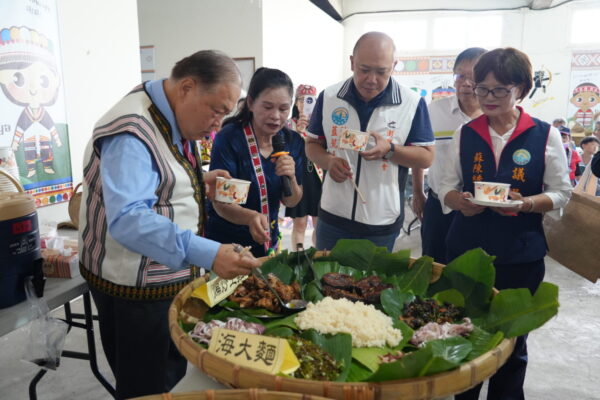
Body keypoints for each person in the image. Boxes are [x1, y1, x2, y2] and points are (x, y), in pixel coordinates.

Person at [78, 50, 261, 400]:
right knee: (147, 386)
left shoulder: (162, 108)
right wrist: (209, 254)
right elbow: (130, 219)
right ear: (187, 87)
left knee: (172, 378)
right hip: (135, 289)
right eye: (217, 109)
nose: (218, 123)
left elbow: (155, 178)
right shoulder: (131, 133)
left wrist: (198, 182)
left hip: (163, 279)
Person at [438, 47, 572, 400]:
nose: (488, 98)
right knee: (465, 335)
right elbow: (445, 186)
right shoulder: (465, 133)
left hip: (520, 255)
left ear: (522, 90)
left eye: (500, 90)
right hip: (467, 251)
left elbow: (561, 192)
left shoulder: (544, 135)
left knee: (513, 341)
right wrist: (459, 202)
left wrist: (526, 203)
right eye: (482, 88)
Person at [305, 31, 435, 252]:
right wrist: (327, 161)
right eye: (364, 70)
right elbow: (311, 144)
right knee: (325, 281)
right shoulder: (329, 97)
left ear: (394, 66)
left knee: (374, 284)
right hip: (332, 215)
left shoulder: (411, 103)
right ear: (352, 62)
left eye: (381, 72)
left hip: (381, 220)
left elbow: (426, 157)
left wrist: (391, 150)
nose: (372, 80)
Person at [206, 68, 304, 257]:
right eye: (268, 107)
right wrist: (250, 218)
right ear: (251, 103)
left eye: (283, 109)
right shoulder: (230, 138)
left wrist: (290, 177)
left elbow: (292, 200)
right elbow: (220, 202)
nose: (276, 116)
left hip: (268, 239)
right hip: (228, 243)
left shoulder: (293, 141)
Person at [412, 47, 486, 264]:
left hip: (481, 208)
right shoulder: (434, 111)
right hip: (439, 205)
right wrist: (418, 192)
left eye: (473, 77)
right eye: (460, 75)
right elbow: (420, 151)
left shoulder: (494, 115)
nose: (465, 83)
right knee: (433, 268)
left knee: (472, 272)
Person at [285, 84, 323, 248]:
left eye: (310, 100)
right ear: (295, 102)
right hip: (298, 178)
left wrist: (308, 131)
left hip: (318, 178)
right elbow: (284, 151)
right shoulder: (287, 126)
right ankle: (299, 261)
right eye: (301, 99)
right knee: (299, 224)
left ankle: (317, 259)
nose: (304, 104)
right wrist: (298, 131)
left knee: (319, 224)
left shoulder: (321, 125)